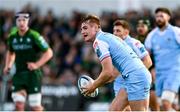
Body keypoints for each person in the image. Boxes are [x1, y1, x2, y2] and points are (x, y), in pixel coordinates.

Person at [81, 14, 151, 111]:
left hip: (136, 77)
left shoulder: (99, 42)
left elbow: (107, 72)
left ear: (96, 28)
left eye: (85, 28)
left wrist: (93, 86)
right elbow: (113, 73)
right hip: (130, 78)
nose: (82, 32)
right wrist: (96, 83)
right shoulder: (109, 37)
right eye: (81, 29)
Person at [3, 12, 53, 111]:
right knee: (18, 105)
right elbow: (11, 52)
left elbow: (49, 52)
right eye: (19, 20)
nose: (21, 23)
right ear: (16, 22)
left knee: (35, 107)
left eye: (24, 20)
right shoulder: (12, 37)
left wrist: (37, 64)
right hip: (19, 74)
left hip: (32, 75)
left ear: (28, 21)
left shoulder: (34, 36)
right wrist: (8, 65)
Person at [110, 19, 153, 111]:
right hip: (119, 85)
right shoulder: (113, 46)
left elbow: (148, 61)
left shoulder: (134, 43)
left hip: (133, 83)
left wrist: (133, 75)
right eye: (114, 31)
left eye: (118, 31)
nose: (115, 33)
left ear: (126, 32)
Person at [145, 7, 180, 111]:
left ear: (168, 17)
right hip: (159, 74)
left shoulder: (175, 32)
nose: (159, 18)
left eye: (161, 16)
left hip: (174, 72)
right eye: (157, 16)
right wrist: (151, 70)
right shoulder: (151, 36)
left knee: (166, 102)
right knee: (162, 106)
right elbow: (147, 56)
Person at [136, 19, 160, 111]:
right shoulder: (135, 40)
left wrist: (154, 69)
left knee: (155, 102)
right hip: (141, 72)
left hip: (153, 70)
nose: (140, 28)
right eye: (138, 26)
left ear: (148, 27)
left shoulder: (154, 39)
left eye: (142, 26)